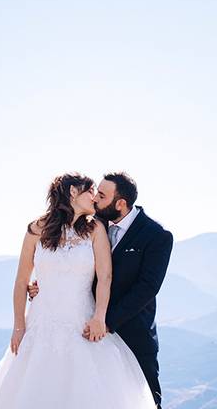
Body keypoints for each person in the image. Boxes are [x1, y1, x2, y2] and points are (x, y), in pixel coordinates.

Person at [0, 173, 158, 409]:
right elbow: (20, 281)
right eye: (91, 192)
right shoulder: (36, 229)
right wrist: (19, 325)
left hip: (82, 323)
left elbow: (105, 277)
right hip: (40, 322)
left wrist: (99, 316)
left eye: (98, 194)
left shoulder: (96, 228)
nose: (95, 198)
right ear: (72, 193)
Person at [29, 172, 174, 408]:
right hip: (85, 325)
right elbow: (65, 257)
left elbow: (147, 288)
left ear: (120, 204)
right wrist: (43, 285)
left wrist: (106, 321)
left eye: (102, 195)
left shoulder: (157, 236)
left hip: (131, 331)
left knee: (145, 400)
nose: (95, 198)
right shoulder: (92, 223)